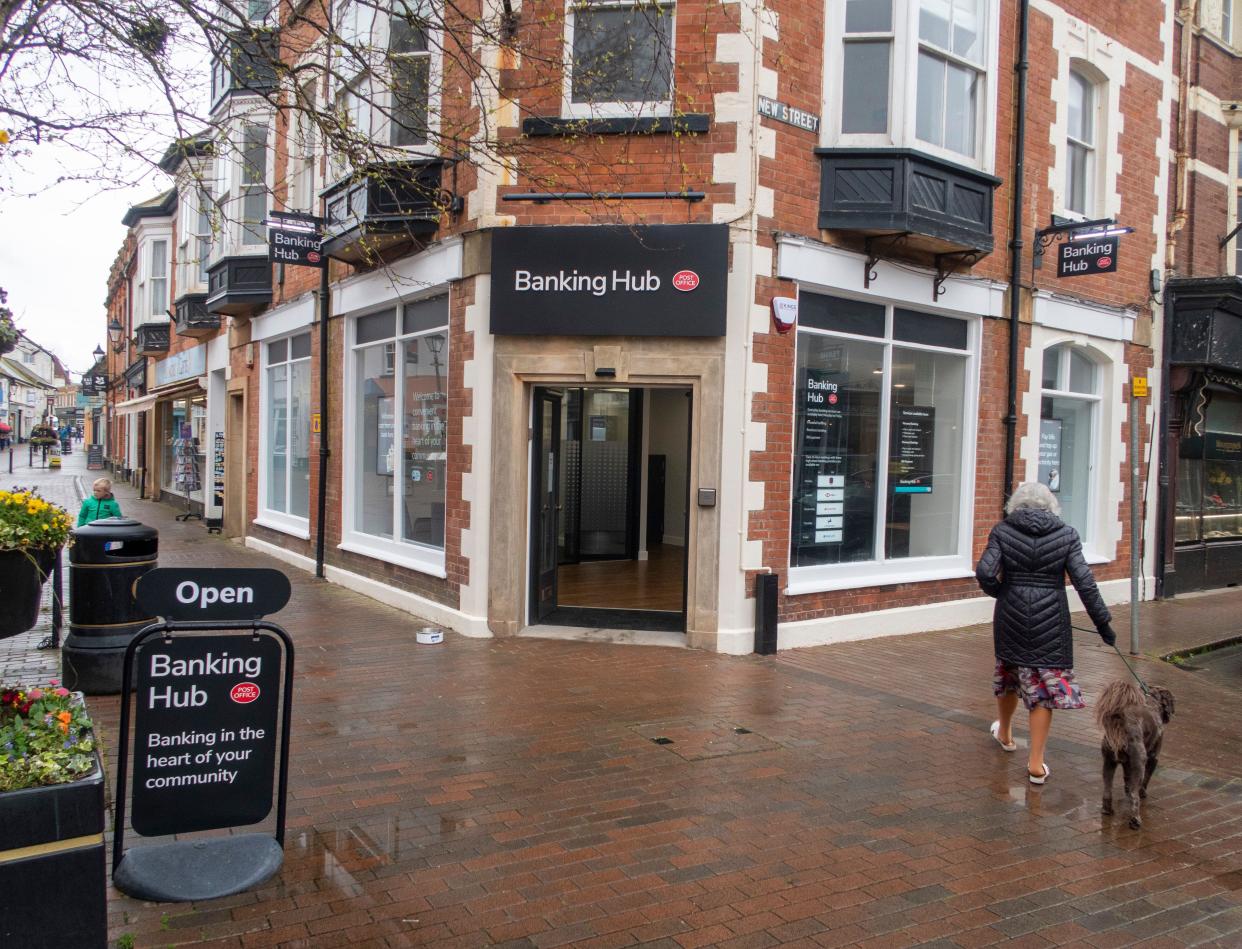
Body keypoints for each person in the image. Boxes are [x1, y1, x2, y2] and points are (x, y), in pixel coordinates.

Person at [975, 481, 1115, 785]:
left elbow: (985, 572)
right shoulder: (1067, 535)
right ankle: (1036, 764)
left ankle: (1007, 733)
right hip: (1050, 617)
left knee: (1010, 672)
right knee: (1041, 688)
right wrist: (1103, 624)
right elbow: (1085, 583)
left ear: (1016, 505)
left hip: (1010, 612)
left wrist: (1002, 591)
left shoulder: (1003, 531)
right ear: (1051, 506)